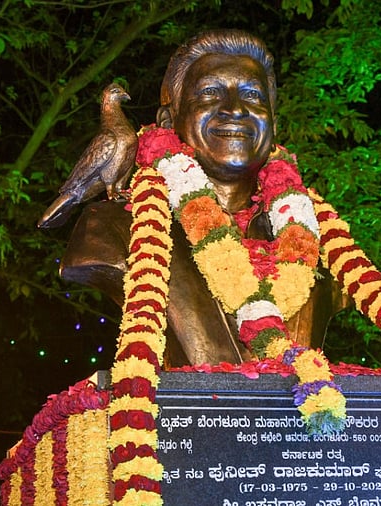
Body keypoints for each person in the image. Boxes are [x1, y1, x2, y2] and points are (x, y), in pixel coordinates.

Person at [59, 29, 347, 367]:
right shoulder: (113, 226)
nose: (235, 110)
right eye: (211, 93)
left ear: (273, 124)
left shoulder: (320, 237)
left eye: (253, 96)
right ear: (169, 120)